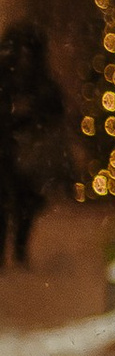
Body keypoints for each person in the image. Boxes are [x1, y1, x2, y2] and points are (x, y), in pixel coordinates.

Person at [0, 19, 69, 268]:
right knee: (8, 200)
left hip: (28, 148)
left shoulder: (39, 80)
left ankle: (19, 246)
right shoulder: (9, 75)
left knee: (25, 200)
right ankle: (10, 249)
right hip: (8, 145)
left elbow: (54, 107)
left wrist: (31, 114)